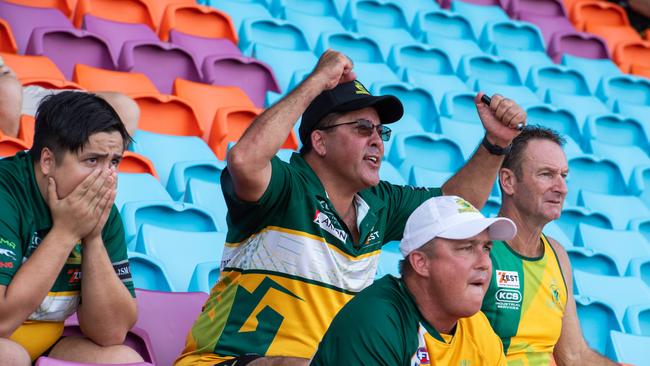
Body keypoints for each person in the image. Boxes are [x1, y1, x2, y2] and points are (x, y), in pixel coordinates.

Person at [175, 49, 527, 366]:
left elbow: (453, 212)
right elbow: (244, 159)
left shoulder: (380, 203)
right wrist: (316, 82)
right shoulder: (286, 186)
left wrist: (495, 144)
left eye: (380, 132)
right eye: (362, 128)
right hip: (223, 360)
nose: (377, 141)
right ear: (319, 141)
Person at [0, 91, 143, 364]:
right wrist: (66, 233)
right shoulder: (5, 193)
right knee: (10, 356)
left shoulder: (102, 210)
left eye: (114, 162)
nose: (106, 176)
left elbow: (112, 332)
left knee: (124, 359)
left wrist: (93, 238)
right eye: (92, 160)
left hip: (43, 344)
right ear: (47, 161)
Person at [311, 195, 516, 365]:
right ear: (421, 263)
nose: (485, 263)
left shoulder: (476, 326)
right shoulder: (375, 320)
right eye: (467, 248)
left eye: (486, 248)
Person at [480, 126, 618, 365]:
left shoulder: (557, 255)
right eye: (546, 174)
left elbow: (575, 356)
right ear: (508, 181)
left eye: (563, 176)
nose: (561, 188)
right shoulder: (480, 248)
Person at [0, 64, 140, 138]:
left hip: (24, 94)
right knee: (7, 89)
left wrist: (6, 74)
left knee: (123, 107)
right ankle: (11, 152)